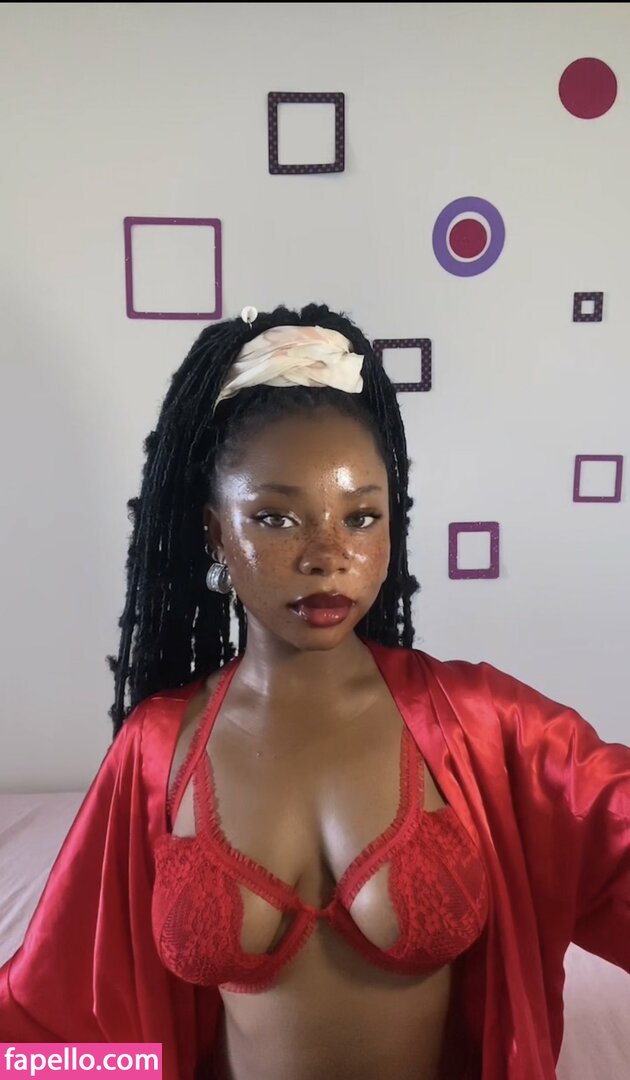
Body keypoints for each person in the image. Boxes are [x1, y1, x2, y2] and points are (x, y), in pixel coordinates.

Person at [0, 303, 628, 1080]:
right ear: (215, 533)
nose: (328, 555)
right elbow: (62, 1011)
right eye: (275, 518)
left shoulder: (485, 727)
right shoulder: (160, 748)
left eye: (361, 517)